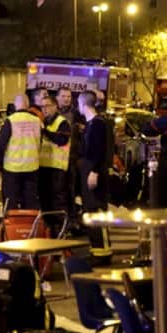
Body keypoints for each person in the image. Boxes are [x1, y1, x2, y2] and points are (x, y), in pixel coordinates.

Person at [0, 94, 42, 210]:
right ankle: (30, 225)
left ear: (15, 105)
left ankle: (12, 225)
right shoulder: (36, 121)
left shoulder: (11, 120)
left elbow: (1, 143)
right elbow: (40, 142)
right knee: (30, 200)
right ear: (28, 105)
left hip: (12, 169)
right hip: (32, 168)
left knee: (11, 200)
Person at [78, 90, 112, 265]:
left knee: (97, 211)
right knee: (90, 211)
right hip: (90, 170)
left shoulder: (97, 124)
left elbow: (99, 150)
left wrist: (95, 172)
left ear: (84, 104)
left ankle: (104, 252)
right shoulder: (91, 124)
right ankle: (96, 250)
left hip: (94, 171)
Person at [38, 94, 71, 231]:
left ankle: (63, 229)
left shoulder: (62, 122)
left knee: (58, 200)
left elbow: (61, 140)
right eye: (42, 107)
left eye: (47, 106)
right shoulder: (43, 122)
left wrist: (45, 132)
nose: (44, 110)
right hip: (43, 167)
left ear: (55, 106)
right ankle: (50, 228)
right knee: (45, 200)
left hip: (57, 168)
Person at [57, 86, 84, 230]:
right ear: (57, 98)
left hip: (72, 158)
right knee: (58, 191)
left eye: (68, 96)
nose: (66, 99)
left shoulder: (77, 114)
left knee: (71, 190)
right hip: (56, 160)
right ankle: (61, 220)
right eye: (63, 96)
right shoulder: (53, 114)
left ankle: (72, 219)